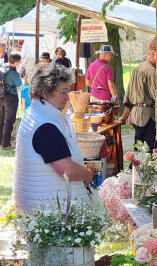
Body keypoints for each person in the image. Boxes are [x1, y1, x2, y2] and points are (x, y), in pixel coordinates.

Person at [13, 63, 95, 213]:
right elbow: (67, 171)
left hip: (43, 206)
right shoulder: (45, 126)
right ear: (45, 93)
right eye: (63, 92)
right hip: (50, 211)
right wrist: (87, 174)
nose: (67, 98)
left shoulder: (37, 114)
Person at [119, 37, 157, 151]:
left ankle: (133, 169)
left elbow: (128, 97)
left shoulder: (138, 68)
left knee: (140, 152)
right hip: (148, 117)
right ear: (152, 53)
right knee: (148, 153)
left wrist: (125, 117)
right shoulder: (151, 71)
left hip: (138, 117)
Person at [0, 52, 22, 150]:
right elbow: (19, 83)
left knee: (1, 119)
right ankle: (6, 144)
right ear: (16, 62)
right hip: (11, 97)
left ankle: (1, 142)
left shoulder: (2, 66)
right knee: (8, 121)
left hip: (1, 96)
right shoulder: (13, 73)